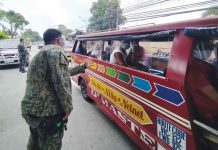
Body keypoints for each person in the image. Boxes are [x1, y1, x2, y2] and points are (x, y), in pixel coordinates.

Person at [21, 29, 90, 150]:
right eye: (63, 39)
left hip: (32, 110)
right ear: (58, 40)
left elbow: (61, 73)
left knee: (35, 142)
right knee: (51, 145)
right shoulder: (56, 51)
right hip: (47, 112)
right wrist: (68, 107)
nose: (64, 41)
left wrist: (82, 67)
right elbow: (61, 82)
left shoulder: (42, 52)